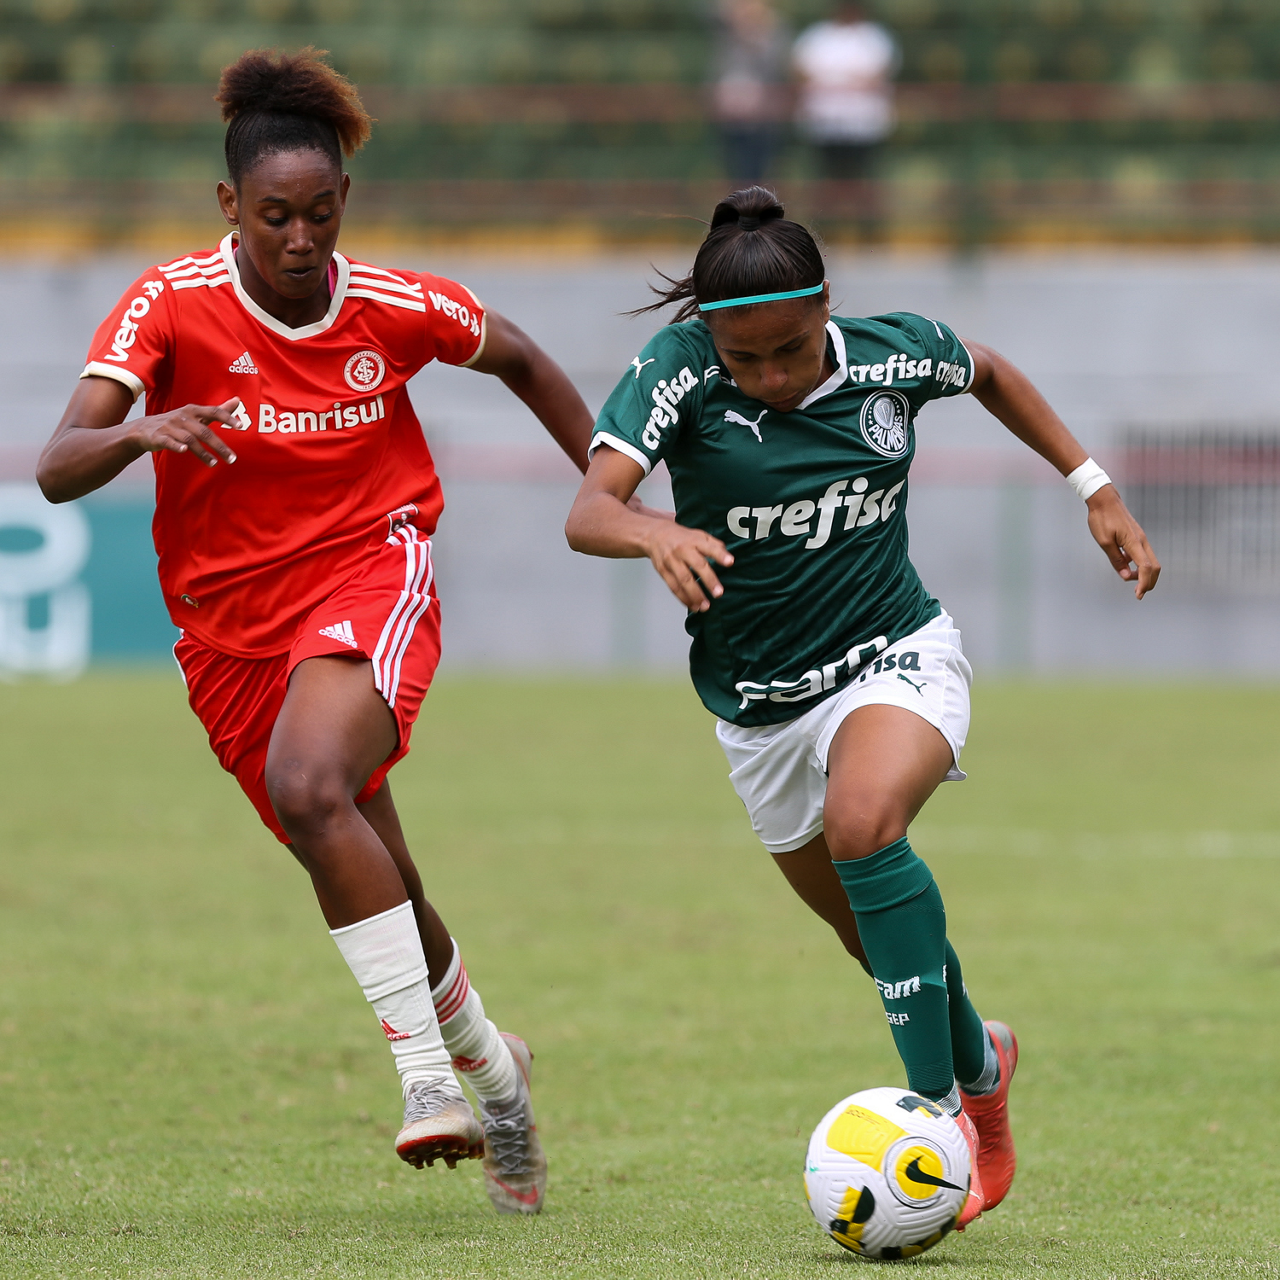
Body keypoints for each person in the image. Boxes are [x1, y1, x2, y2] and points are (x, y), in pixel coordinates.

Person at [36, 47, 602, 1216]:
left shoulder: (394, 304)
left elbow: (523, 357)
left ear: (345, 199)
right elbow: (56, 465)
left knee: (308, 783)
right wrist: (140, 431)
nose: (300, 239)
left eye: (321, 213)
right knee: (369, 863)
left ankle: (425, 1082)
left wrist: (610, 486)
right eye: (275, 216)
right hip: (227, 637)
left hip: (369, 568)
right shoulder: (168, 303)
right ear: (229, 205)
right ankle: (498, 1076)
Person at [565, 187, 1160, 1232]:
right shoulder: (679, 370)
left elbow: (988, 370)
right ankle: (983, 1063)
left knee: (863, 825)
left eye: (789, 351)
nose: (769, 377)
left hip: (894, 654)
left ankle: (938, 1118)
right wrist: (652, 530)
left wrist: (1093, 487)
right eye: (745, 360)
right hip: (758, 711)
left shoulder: (893, 354)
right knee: (878, 946)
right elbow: (588, 511)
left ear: (825, 306)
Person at [793, 2, 898, 188]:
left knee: (863, 177)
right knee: (826, 177)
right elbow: (800, 71)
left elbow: (881, 74)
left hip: (864, 122)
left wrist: (834, 80)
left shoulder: (874, 36)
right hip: (824, 120)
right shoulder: (816, 36)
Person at [710, 0, 790, 184]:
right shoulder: (727, 32)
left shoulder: (775, 30)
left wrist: (750, 36)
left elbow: (775, 65)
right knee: (734, 167)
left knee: (758, 167)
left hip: (763, 113)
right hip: (731, 113)